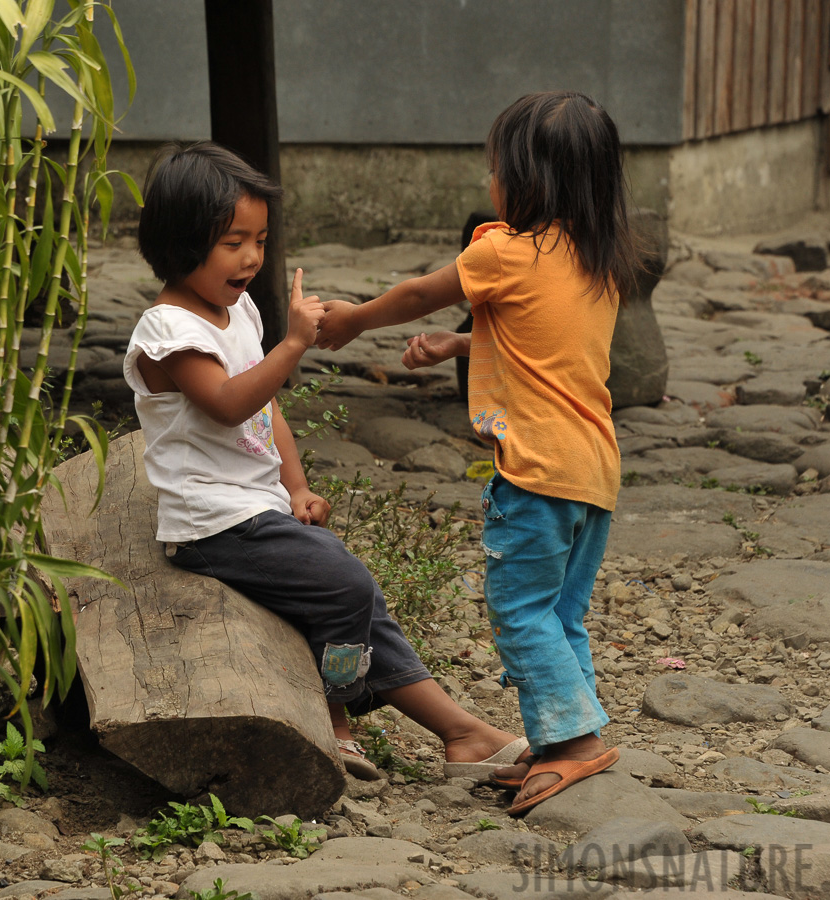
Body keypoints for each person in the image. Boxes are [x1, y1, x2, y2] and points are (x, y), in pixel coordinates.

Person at [124, 141, 529, 782]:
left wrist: (297, 484)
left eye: (259, 240)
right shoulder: (169, 332)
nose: (253, 258)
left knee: (361, 603)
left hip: (254, 511)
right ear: (180, 242)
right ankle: (333, 715)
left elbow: (268, 411)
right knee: (346, 585)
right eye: (234, 242)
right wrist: (292, 345)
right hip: (209, 524)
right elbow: (231, 404)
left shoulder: (235, 311)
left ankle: (463, 734)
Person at [317, 91, 635, 814]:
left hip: (537, 472)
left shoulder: (504, 252)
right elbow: (552, 350)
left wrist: (353, 321)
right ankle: (568, 743)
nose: (490, 181)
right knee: (561, 613)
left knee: (519, 609)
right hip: (592, 469)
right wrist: (465, 343)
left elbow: (418, 292)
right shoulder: (599, 263)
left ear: (528, 179)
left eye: (497, 167)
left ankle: (573, 746)